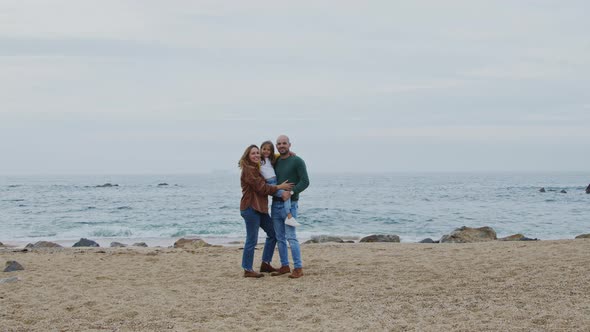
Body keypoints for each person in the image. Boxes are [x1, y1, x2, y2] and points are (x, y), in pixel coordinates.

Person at [239, 144, 293, 278]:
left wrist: (289, 153)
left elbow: (272, 155)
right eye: (253, 153)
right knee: (252, 239)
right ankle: (247, 269)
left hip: (260, 209)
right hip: (251, 208)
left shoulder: (257, 168)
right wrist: (280, 186)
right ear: (247, 156)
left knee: (273, 234)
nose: (256, 155)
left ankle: (265, 263)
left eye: (258, 153)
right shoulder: (248, 170)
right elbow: (262, 188)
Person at [270, 135, 310, 279]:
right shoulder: (276, 162)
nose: (282, 146)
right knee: (279, 238)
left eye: (284, 143)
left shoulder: (297, 161)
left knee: (291, 237)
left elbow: (305, 181)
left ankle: (298, 268)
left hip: (290, 205)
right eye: (279, 144)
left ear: (289, 145)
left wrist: (291, 192)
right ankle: (285, 266)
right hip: (275, 204)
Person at [259, 140, 301, 227]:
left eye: (269, 150)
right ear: (260, 149)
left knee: (286, 195)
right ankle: (289, 217)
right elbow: (249, 160)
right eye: (264, 149)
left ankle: (289, 217)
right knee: (286, 195)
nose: (266, 151)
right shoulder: (259, 160)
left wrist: (289, 152)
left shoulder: (272, 158)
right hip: (270, 182)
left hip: (275, 181)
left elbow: (279, 155)